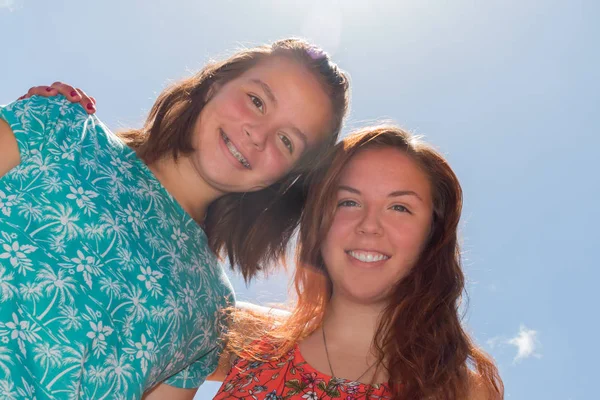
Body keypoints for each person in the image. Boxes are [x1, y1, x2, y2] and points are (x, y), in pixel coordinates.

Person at [0, 38, 349, 399]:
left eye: (286, 141)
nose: (257, 135)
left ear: (284, 180)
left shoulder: (212, 306)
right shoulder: (61, 126)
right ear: (215, 85)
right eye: (257, 101)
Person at [212, 126, 504, 399]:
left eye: (399, 208)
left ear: (432, 234)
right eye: (348, 202)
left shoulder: (463, 391)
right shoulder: (241, 336)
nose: (369, 225)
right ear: (319, 222)